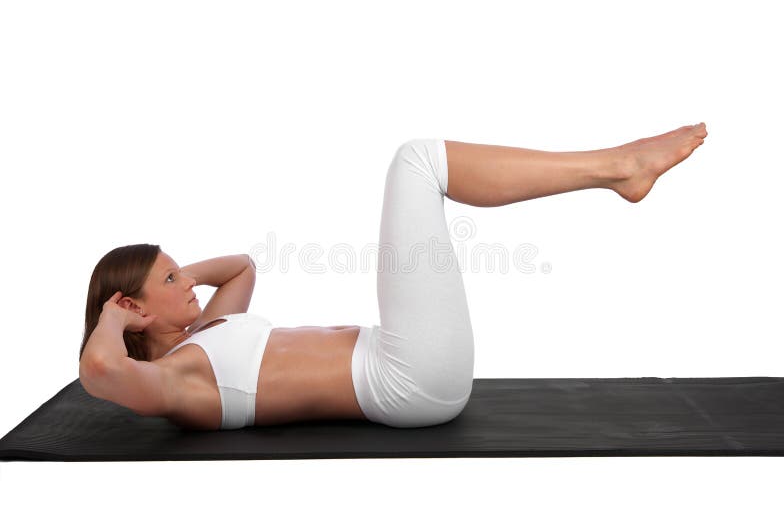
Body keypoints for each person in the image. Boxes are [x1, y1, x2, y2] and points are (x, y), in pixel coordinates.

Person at [78, 123, 708, 430]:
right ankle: (619, 167)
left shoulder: (209, 330)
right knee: (417, 163)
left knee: (417, 164)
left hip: (400, 360)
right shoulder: (174, 380)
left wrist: (175, 276)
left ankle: (618, 167)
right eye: (168, 282)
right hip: (404, 380)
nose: (187, 283)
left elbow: (243, 265)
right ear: (132, 308)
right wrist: (113, 314)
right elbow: (101, 371)